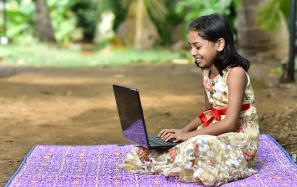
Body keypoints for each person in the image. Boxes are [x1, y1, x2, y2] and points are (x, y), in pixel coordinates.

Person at [121, 13, 259, 186]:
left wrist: (189, 135)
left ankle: (184, 161)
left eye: (197, 46)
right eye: (191, 46)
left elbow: (230, 123)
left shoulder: (235, 73)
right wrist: (182, 131)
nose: (193, 52)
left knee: (199, 144)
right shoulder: (206, 72)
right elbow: (208, 113)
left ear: (220, 44)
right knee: (146, 150)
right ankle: (178, 159)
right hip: (213, 132)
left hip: (238, 138)